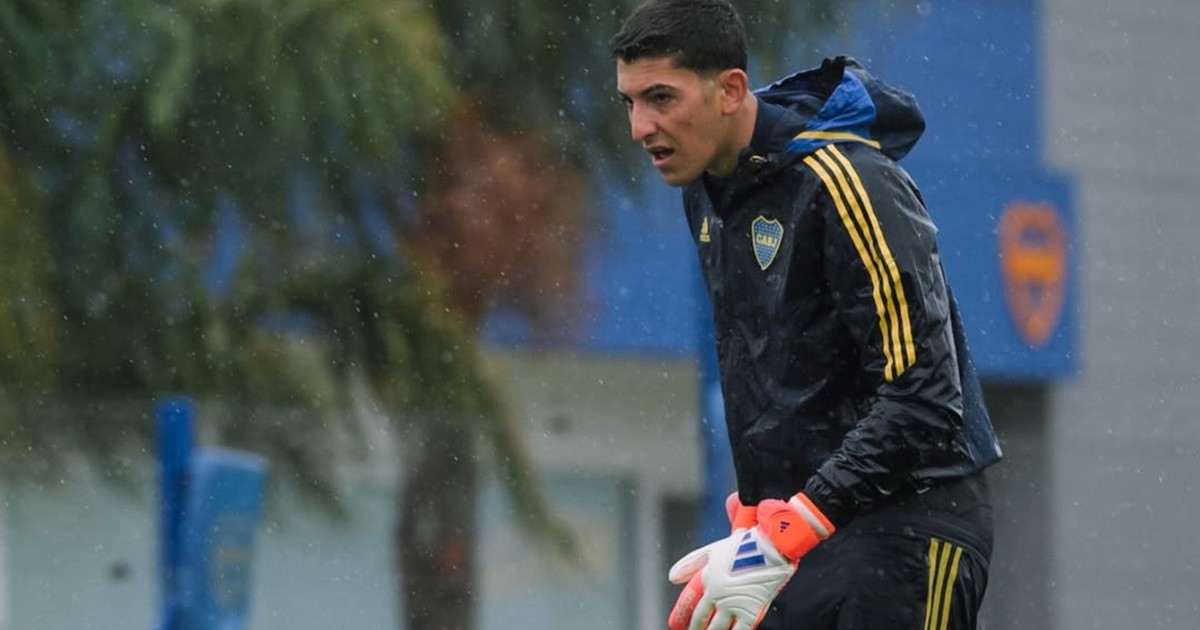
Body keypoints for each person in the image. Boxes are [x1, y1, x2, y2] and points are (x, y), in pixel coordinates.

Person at [610, 1, 1004, 628]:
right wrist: (758, 520)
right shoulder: (707, 193)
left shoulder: (848, 179)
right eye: (629, 102)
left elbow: (925, 398)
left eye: (661, 98)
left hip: (907, 526)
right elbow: (777, 373)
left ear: (730, 90)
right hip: (801, 536)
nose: (640, 126)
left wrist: (794, 522)